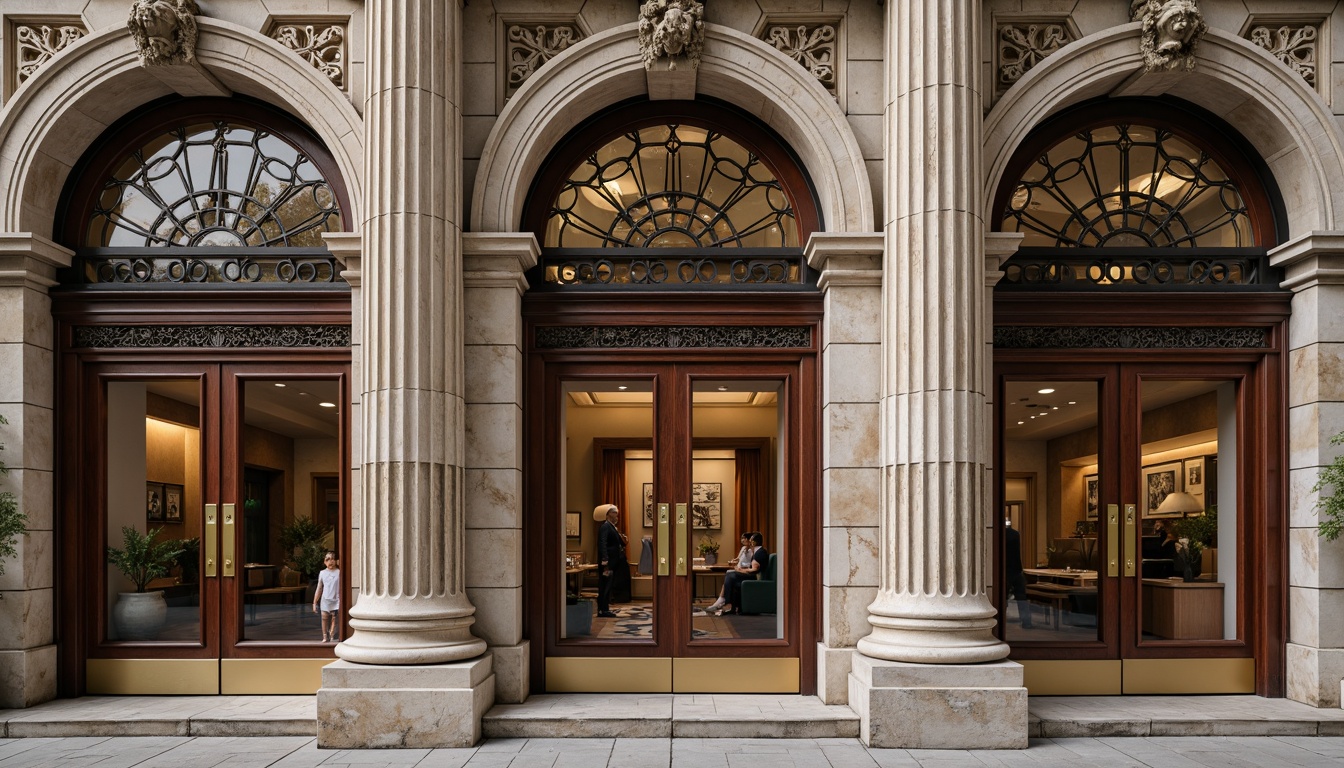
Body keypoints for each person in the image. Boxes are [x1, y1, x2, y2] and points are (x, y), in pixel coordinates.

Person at [716, 532, 767, 616]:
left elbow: (754, 570)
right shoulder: (759, 551)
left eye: (750, 541)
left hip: (755, 578)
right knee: (732, 579)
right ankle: (731, 606)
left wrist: (740, 570)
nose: (749, 543)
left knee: (730, 576)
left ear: (754, 542)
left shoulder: (759, 553)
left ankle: (726, 602)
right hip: (754, 576)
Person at [704, 532, 753, 613]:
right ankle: (722, 600)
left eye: (744, 538)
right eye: (742, 538)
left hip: (744, 571)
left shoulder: (752, 550)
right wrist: (734, 560)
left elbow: (750, 564)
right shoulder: (743, 548)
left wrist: (740, 567)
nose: (742, 540)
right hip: (738, 569)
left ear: (749, 540)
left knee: (729, 574)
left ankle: (722, 600)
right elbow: (738, 558)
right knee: (728, 573)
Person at [595, 503, 629, 618]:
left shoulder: (611, 526)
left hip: (612, 562)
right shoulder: (605, 527)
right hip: (607, 563)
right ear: (609, 514)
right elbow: (602, 543)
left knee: (608, 585)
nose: (617, 516)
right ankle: (602, 610)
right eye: (615, 513)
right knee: (605, 585)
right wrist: (605, 559)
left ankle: (605, 609)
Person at [1004, 522, 1033, 629]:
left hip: (1005, 570)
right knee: (1021, 598)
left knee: (1003, 597)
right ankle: (1026, 622)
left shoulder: (1000, 535)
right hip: (1016, 569)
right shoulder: (1015, 534)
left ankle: (1001, 622)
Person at [312, 551, 341, 643]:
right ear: (324, 562)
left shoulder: (339, 572)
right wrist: (314, 602)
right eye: (327, 559)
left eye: (332, 559)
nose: (330, 561)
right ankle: (325, 636)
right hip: (325, 599)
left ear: (336, 561)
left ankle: (332, 634)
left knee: (334, 618)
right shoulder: (322, 573)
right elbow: (319, 588)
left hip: (336, 599)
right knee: (324, 618)